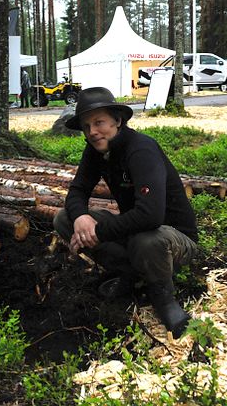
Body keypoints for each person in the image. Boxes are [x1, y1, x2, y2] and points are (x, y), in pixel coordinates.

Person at [53, 87, 198, 338]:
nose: (93, 132)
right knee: (63, 218)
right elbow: (76, 191)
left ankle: (163, 297)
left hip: (175, 240)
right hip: (137, 234)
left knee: (148, 239)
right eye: (87, 127)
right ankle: (130, 274)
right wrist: (80, 217)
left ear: (118, 121)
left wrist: (98, 231)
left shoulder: (141, 150)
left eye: (99, 122)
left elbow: (150, 215)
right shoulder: (96, 150)